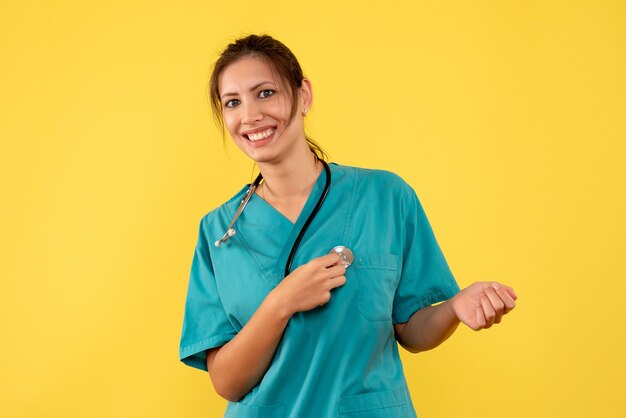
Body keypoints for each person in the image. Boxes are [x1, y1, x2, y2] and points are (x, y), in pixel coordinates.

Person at [179, 34, 517, 418]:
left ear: (303, 94)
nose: (250, 115)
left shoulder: (385, 197)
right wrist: (281, 302)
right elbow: (227, 382)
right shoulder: (219, 232)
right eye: (233, 103)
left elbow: (413, 330)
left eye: (266, 93)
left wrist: (455, 307)